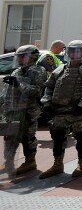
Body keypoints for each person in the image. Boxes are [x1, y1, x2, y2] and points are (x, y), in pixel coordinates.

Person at [39, 40, 82, 179]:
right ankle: (57, 165)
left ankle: (81, 164)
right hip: (60, 112)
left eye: (77, 51)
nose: (74, 54)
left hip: (79, 112)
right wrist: (46, 104)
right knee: (58, 139)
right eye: (72, 51)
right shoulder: (60, 69)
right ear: (67, 52)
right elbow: (49, 87)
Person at [0, 45, 46, 176]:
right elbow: (6, 92)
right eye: (18, 56)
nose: (19, 59)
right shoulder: (16, 72)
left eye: (22, 56)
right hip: (14, 110)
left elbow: (36, 91)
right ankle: (8, 163)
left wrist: (19, 85)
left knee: (27, 137)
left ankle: (30, 162)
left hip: (28, 111)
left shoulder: (39, 71)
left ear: (32, 56)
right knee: (10, 137)